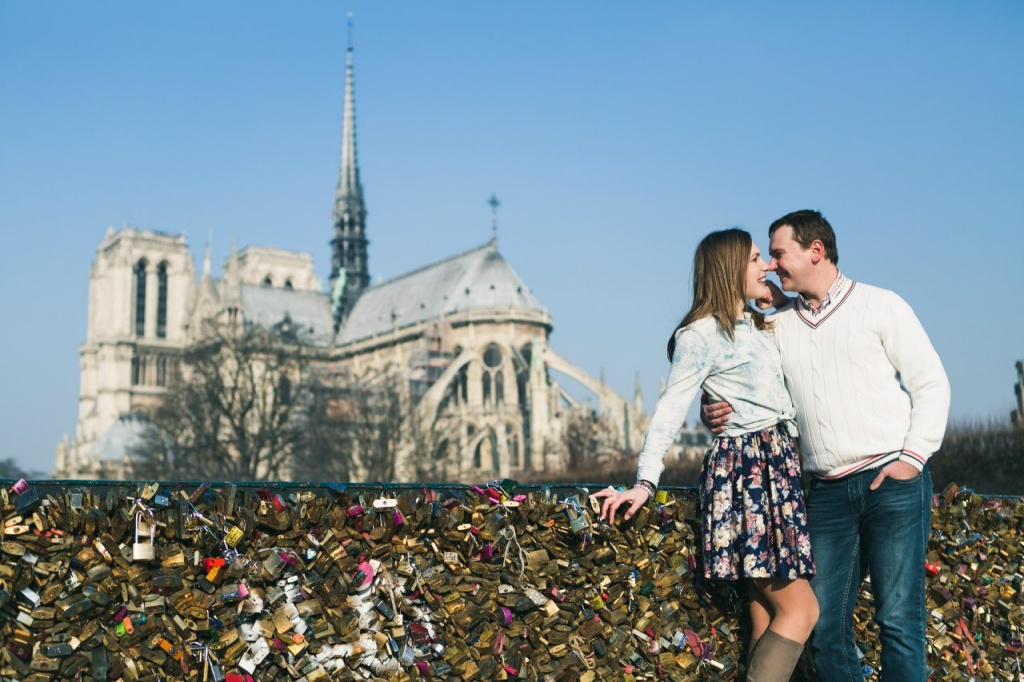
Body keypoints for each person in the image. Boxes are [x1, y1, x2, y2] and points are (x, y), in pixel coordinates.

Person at [703, 210, 950, 682]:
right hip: (827, 493)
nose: (771, 264)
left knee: (899, 621)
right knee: (823, 630)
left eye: (779, 253)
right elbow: (738, 378)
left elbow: (931, 383)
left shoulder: (881, 305)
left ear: (815, 250)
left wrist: (913, 458)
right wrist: (709, 405)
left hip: (892, 482)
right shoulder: (775, 328)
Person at [593, 227, 818, 682]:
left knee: (764, 612)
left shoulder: (759, 324)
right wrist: (645, 482)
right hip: (749, 474)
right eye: (755, 259)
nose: (767, 266)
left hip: (776, 468)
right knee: (802, 610)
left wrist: (778, 300)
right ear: (730, 268)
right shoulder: (699, 335)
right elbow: (669, 410)